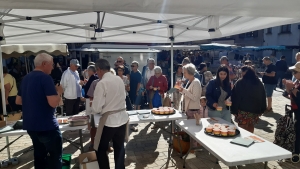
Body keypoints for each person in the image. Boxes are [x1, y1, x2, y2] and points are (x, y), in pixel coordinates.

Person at [16, 53, 64, 169]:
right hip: (46, 126)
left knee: (39, 157)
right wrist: (59, 92)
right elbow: (53, 103)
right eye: (51, 65)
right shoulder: (45, 78)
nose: (53, 68)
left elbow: (18, 101)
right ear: (44, 64)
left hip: (31, 126)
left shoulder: (26, 78)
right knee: (55, 158)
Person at [91, 59, 128, 169]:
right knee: (119, 147)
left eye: (97, 72)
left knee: (100, 148)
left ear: (99, 70)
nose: (97, 74)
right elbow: (124, 97)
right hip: (122, 118)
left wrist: (94, 108)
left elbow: (97, 108)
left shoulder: (101, 83)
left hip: (109, 121)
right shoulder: (119, 79)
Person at [231, 66, 267, 133]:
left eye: (242, 72)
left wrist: (233, 110)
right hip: (255, 111)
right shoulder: (258, 82)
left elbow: (235, 97)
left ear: (245, 72)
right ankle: (250, 140)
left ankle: (243, 142)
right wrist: (262, 109)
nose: (241, 73)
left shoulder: (240, 82)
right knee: (251, 128)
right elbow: (263, 96)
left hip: (243, 111)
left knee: (242, 130)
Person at [175, 63, 202, 148]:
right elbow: (187, 94)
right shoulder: (190, 81)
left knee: (192, 132)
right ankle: (189, 148)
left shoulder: (196, 82)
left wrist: (184, 90)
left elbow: (195, 97)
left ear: (189, 72)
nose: (183, 73)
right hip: (189, 109)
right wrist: (182, 90)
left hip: (193, 110)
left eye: (185, 72)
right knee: (189, 131)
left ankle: (193, 149)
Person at [285, 62, 300, 160]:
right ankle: (296, 151)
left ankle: (296, 153)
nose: (293, 74)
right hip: (296, 111)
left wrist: (293, 89)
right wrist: (288, 88)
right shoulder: (298, 81)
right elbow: (287, 95)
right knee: (296, 130)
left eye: (295, 71)